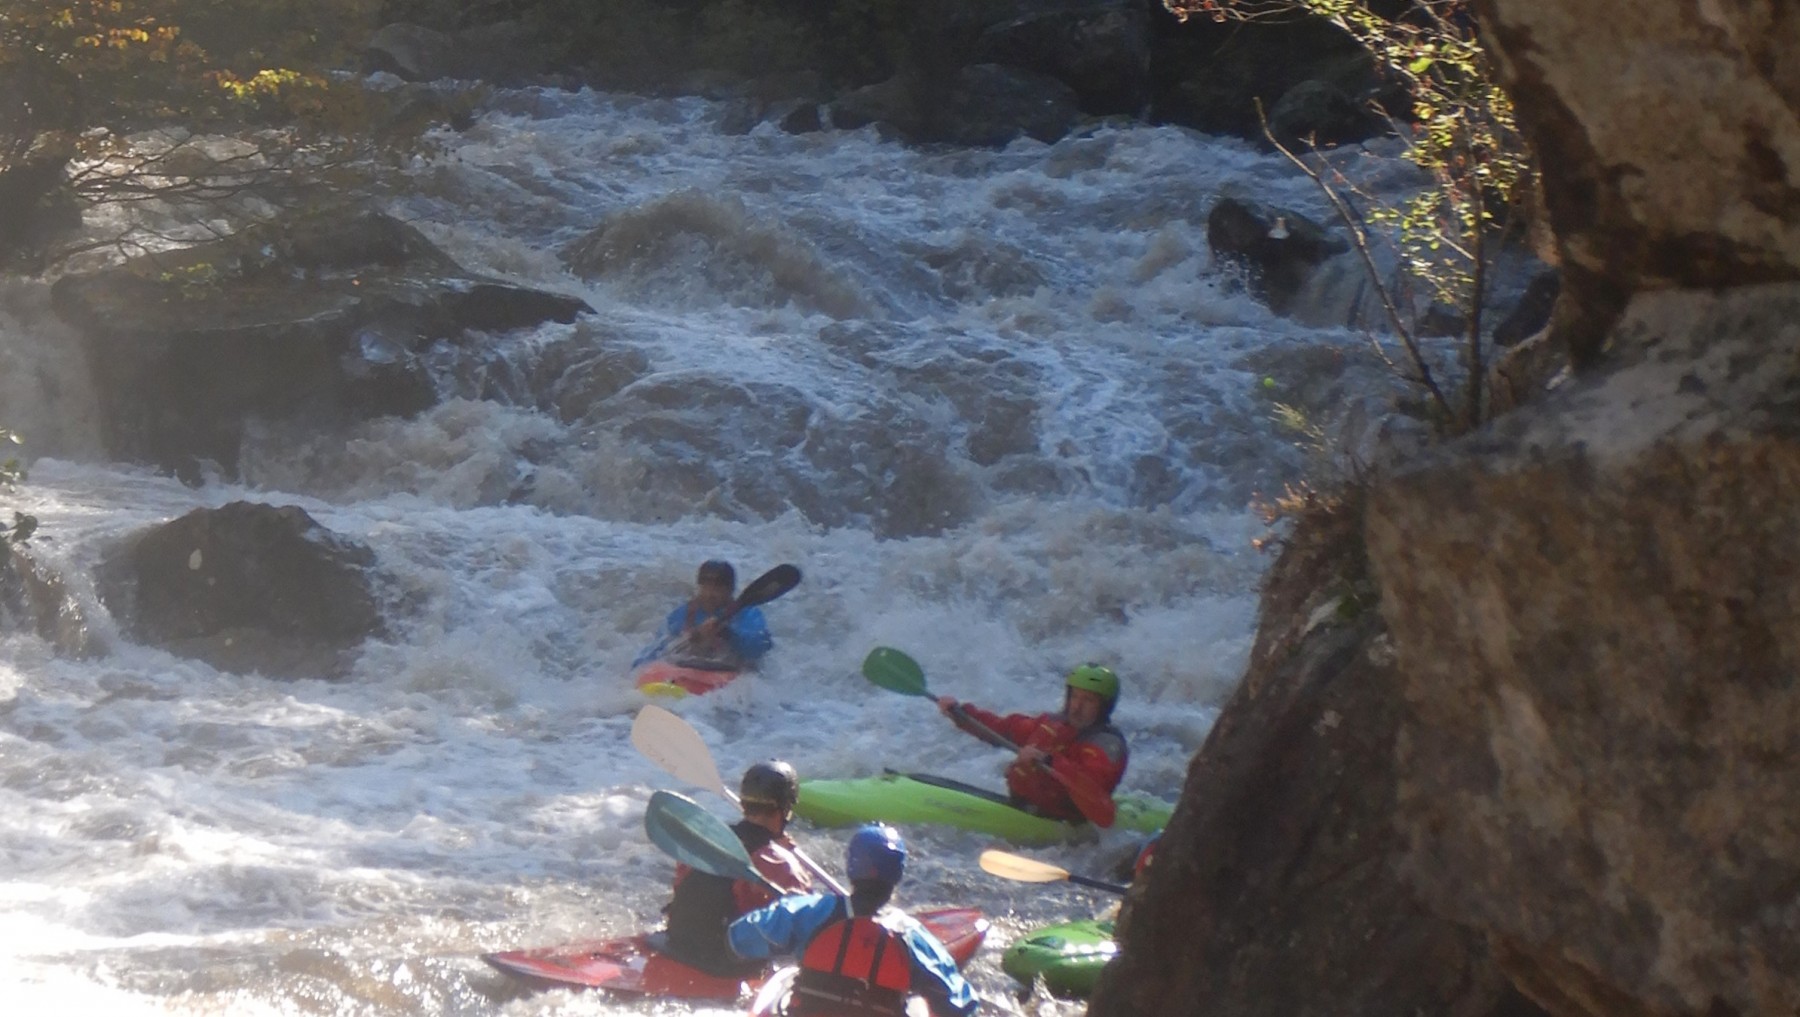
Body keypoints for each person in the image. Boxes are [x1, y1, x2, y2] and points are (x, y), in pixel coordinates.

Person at [727, 823, 979, 1017]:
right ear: (898, 874)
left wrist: (785, 911)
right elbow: (960, 1004)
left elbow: (737, 941)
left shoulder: (809, 912)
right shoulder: (911, 936)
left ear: (851, 867)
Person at [658, 760, 813, 975]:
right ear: (785, 810)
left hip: (675, 945)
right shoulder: (783, 865)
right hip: (724, 966)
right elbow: (805, 921)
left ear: (744, 803)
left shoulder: (705, 840)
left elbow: (682, 881)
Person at [934, 664, 1128, 822]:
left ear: (1104, 707)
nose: (1077, 707)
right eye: (1075, 697)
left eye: (1088, 701)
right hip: (1023, 805)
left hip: (1061, 819)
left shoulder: (1106, 745)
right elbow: (1002, 728)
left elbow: (1092, 787)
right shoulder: (1050, 724)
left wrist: (1049, 761)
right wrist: (960, 713)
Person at [633, 559, 774, 669]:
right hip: (689, 672)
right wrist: (640, 667)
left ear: (730, 590)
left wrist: (727, 633)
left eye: (717, 588)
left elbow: (759, 648)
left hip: (731, 675)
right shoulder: (682, 614)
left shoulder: (748, 614)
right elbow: (657, 649)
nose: (710, 594)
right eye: (706, 586)